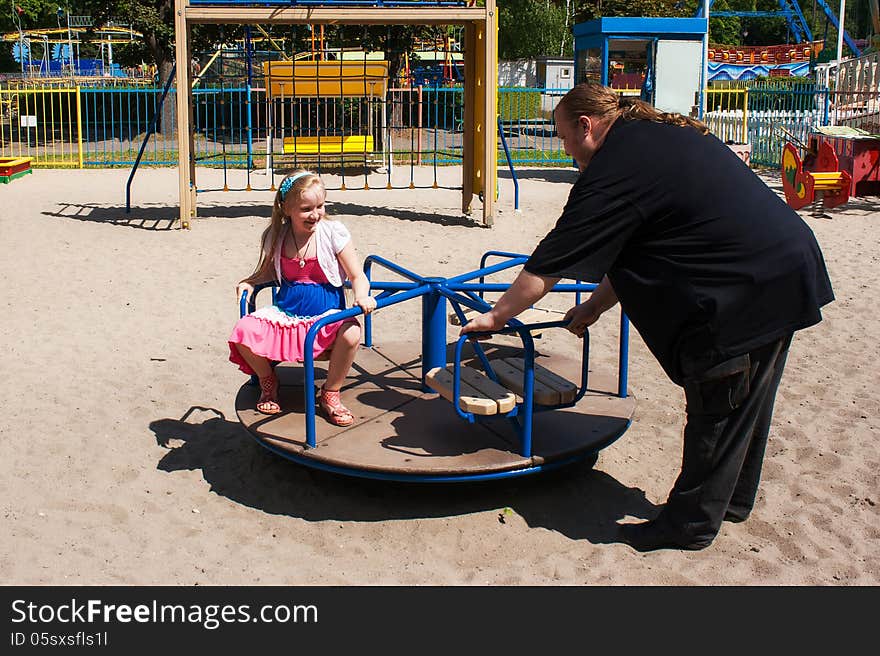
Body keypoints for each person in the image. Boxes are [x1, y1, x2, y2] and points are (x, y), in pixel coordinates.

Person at [461, 83, 834, 552]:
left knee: (719, 399)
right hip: (782, 269)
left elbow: (551, 259)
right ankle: (732, 500)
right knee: (750, 396)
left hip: (741, 288)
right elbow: (642, 243)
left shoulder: (614, 168)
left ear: (586, 126)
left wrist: (496, 316)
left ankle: (690, 525)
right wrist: (595, 307)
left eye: (562, 137)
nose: (564, 147)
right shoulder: (649, 136)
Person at [229, 170, 376, 425]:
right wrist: (250, 282)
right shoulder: (276, 236)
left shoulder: (332, 232)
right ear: (286, 208)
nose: (315, 214)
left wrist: (362, 295)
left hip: (325, 316)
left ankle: (330, 392)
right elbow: (266, 272)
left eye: (320, 206)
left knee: (352, 332)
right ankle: (268, 379)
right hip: (288, 314)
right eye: (306, 209)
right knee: (243, 330)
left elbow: (357, 276)